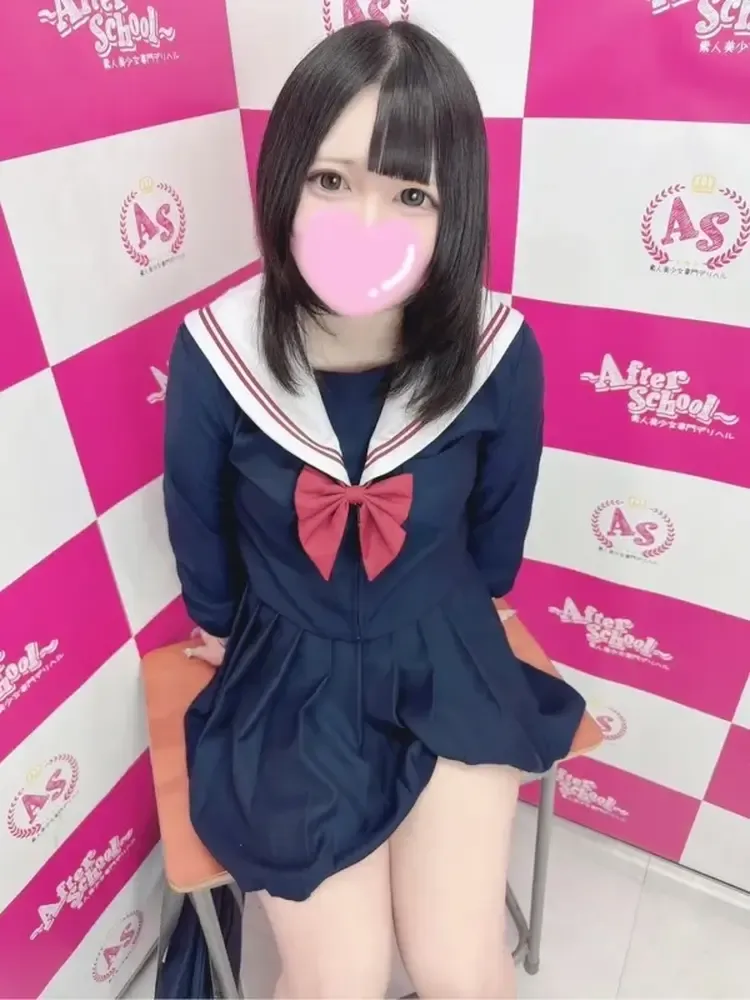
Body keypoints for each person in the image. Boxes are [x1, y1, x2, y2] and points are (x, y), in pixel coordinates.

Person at [164, 18, 585, 1000]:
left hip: (444, 649)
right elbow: (199, 526)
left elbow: (498, 532)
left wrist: (476, 614)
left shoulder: (498, 352)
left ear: (455, 208)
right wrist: (222, 631)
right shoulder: (217, 352)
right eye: (331, 179)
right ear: (285, 179)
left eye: (410, 193)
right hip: (287, 671)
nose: (367, 222)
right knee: (339, 979)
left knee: (455, 962)